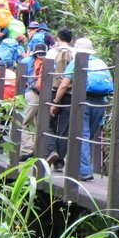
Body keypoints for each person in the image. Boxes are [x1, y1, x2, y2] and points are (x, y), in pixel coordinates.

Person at [50, 38, 109, 182]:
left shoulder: (77, 61)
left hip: (84, 101)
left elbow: (64, 85)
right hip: (101, 103)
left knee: (82, 135)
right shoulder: (101, 62)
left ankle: (84, 171)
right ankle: (84, 166)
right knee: (87, 137)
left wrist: (56, 102)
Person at [44, 28, 74, 172]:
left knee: (48, 121)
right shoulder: (76, 53)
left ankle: (50, 151)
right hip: (70, 92)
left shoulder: (51, 52)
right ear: (71, 40)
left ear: (58, 38)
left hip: (52, 91)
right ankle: (60, 163)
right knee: (65, 127)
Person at [18, 42, 47, 160]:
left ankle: (27, 149)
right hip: (46, 96)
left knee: (23, 122)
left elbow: (19, 78)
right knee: (41, 125)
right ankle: (41, 151)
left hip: (32, 93)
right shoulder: (49, 61)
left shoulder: (26, 61)